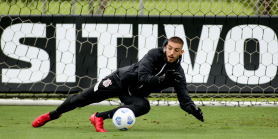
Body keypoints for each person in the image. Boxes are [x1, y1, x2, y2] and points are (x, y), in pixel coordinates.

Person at [32, 36, 204, 132]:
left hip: (133, 94)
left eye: (176, 50)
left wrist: (192, 109)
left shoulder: (178, 73)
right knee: (81, 100)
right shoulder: (153, 55)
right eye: (169, 48)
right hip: (119, 81)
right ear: (165, 46)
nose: (171, 52)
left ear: (181, 52)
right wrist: (161, 80)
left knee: (143, 106)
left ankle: (99, 117)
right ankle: (53, 114)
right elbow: (143, 76)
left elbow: (184, 97)